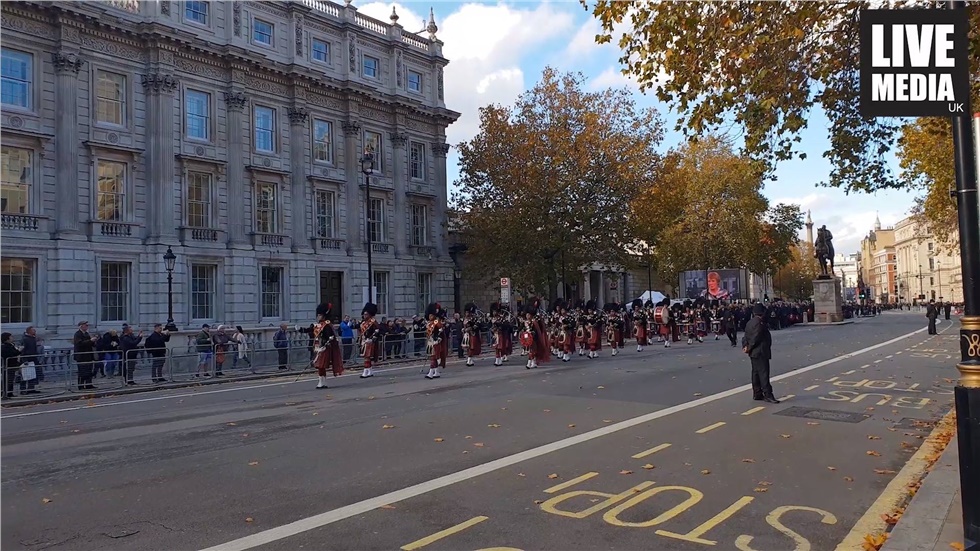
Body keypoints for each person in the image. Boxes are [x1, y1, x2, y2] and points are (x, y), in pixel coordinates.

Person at [742, 303, 779, 404]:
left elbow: (745, 336)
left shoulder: (750, 322)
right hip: (760, 351)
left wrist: (745, 346)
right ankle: (768, 394)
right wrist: (749, 347)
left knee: (756, 373)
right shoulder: (760, 323)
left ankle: (757, 393)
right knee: (763, 373)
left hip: (753, 353)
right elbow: (756, 337)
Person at [313, 303, 344, 389]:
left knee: (321, 365)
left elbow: (330, 335)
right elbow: (310, 331)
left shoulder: (327, 325)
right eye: (318, 315)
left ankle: (322, 382)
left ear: (324, 315)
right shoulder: (317, 325)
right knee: (319, 366)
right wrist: (301, 329)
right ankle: (322, 381)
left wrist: (329, 340)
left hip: (324, 348)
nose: (318, 317)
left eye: (320, 315)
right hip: (318, 347)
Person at [424, 303, 448, 379]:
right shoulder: (429, 323)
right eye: (429, 315)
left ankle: (431, 373)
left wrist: (438, 336)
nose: (429, 316)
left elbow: (441, 329)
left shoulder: (436, 322)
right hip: (430, 341)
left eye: (431, 315)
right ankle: (436, 372)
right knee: (432, 356)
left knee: (434, 356)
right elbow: (428, 332)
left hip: (436, 340)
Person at [73, 321, 98, 390]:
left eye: (87, 325)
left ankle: (88, 384)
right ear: (81, 326)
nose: (87, 327)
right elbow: (79, 344)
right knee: (82, 371)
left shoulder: (87, 334)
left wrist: (94, 341)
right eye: (85, 325)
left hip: (88, 355)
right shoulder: (77, 334)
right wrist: (90, 340)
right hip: (81, 356)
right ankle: (81, 385)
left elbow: (91, 344)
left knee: (89, 370)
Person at [359, 302, 380, 378]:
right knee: (366, 356)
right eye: (364, 314)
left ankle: (365, 371)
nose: (364, 316)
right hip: (364, 341)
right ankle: (370, 370)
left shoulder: (373, 322)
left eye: (366, 314)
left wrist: (372, 339)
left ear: (369, 314)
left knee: (367, 356)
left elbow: (377, 331)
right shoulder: (363, 322)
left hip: (369, 341)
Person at [2, 332, 22, 399]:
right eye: (11, 337)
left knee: (11, 379)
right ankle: (5, 393)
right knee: (7, 380)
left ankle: (10, 393)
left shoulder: (11, 345)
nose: (12, 338)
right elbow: (11, 353)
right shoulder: (5, 346)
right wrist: (19, 350)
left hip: (12, 364)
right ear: (7, 338)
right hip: (8, 365)